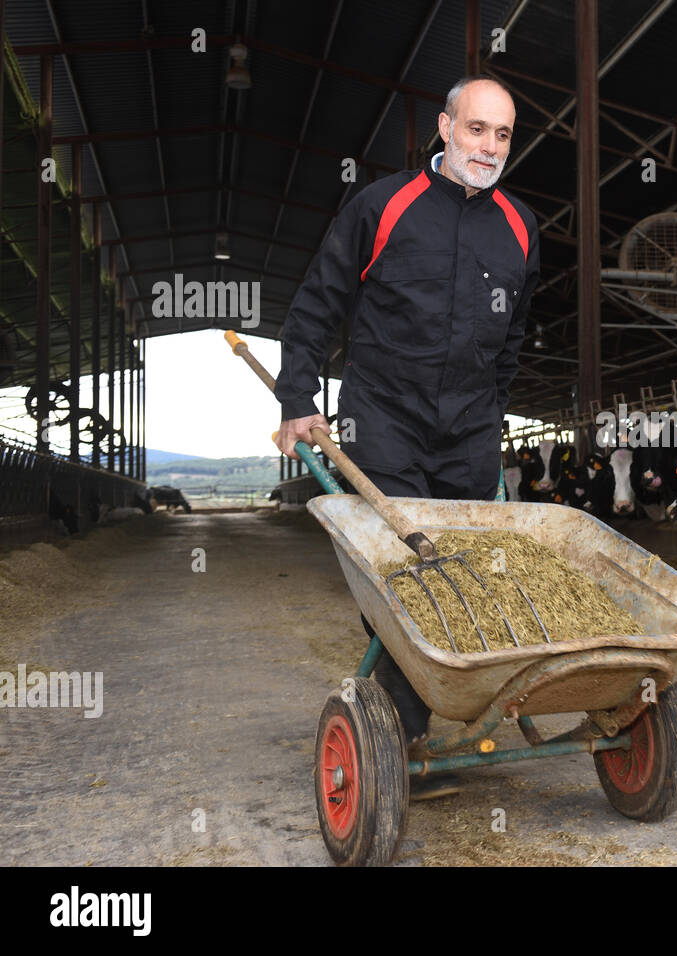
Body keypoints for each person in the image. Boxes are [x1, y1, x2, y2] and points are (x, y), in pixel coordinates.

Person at [273, 76, 540, 798]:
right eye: (477, 129)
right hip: (381, 423)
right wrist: (298, 397)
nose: (489, 146)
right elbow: (318, 303)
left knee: (465, 571)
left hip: (468, 434)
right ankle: (400, 731)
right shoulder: (382, 205)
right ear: (446, 128)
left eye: (503, 135)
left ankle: (426, 708)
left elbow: (512, 340)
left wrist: (492, 413)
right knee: (398, 577)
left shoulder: (519, 227)